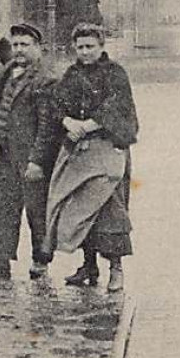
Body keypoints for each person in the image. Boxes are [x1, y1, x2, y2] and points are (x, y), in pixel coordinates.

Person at [41, 22, 139, 293]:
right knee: (80, 209)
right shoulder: (71, 75)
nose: (85, 52)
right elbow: (56, 104)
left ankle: (116, 269)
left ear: (101, 46)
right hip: (79, 153)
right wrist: (67, 121)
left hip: (108, 148)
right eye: (80, 47)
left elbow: (119, 106)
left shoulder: (115, 73)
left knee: (110, 210)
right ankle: (89, 266)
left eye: (90, 47)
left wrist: (93, 124)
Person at [0, 22, 57, 280]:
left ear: (38, 48)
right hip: (8, 151)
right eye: (16, 45)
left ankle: (41, 260)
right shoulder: (8, 71)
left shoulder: (46, 78)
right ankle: (0, 258)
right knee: (5, 204)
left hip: (32, 155)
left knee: (36, 208)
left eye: (25, 45)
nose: (19, 50)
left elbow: (47, 125)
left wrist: (38, 160)